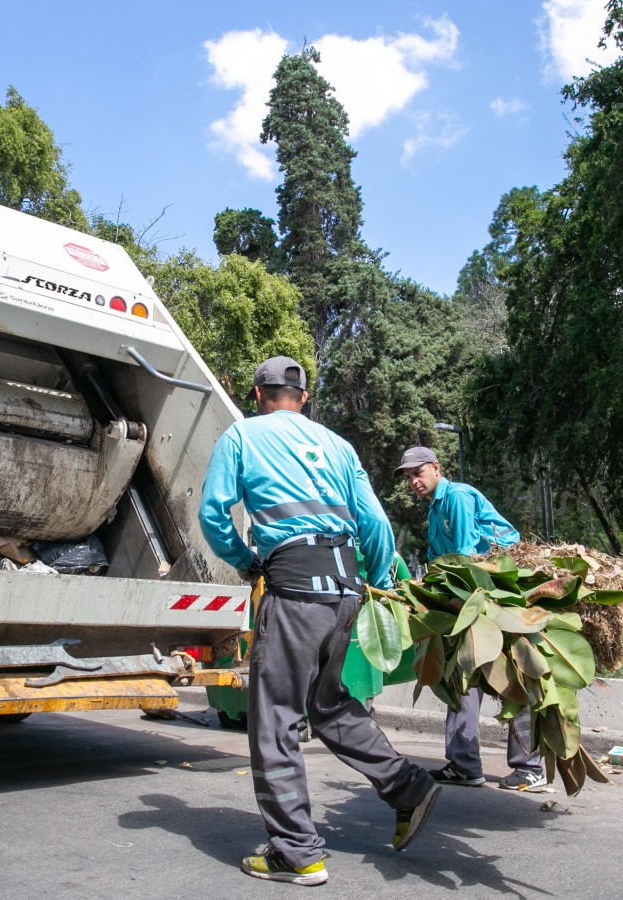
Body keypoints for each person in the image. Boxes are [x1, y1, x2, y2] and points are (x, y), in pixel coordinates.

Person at [200, 356, 442, 886]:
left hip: (293, 590)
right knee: (327, 704)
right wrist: (375, 582)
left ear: (257, 394)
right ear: (303, 398)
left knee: (275, 717)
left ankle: (296, 852)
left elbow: (213, 513)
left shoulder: (242, 436)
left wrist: (245, 560)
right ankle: (409, 788)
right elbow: (375, 522)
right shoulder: (338, 445)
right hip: (345, 592)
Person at [397, 446, 546, 792]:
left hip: (501, 588)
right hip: (469, 592)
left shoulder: (458, 497)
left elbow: (464, 555)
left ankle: (530, 767)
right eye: (408, 477)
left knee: (516, 675)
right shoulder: (435, 510)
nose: (413, 482)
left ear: (436, 468)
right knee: (459, 675)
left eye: (418, 473)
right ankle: (464, 765)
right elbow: (438, 561)